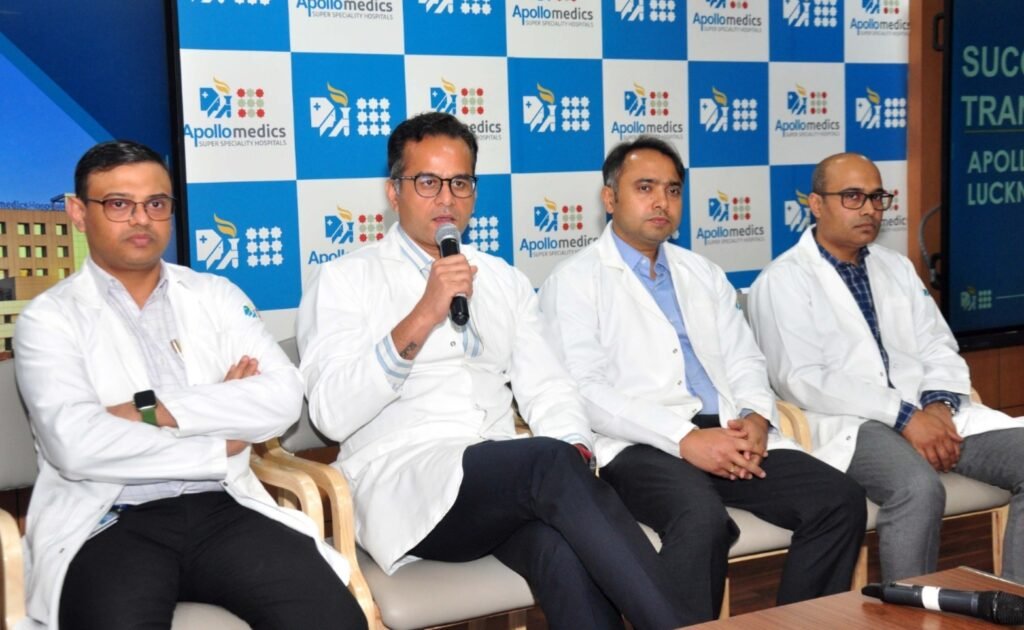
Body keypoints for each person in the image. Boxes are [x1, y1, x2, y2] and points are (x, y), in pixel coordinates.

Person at [297, 113, 689, 629]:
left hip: (505, 484)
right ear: (394, 192)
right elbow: (330, 414)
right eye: (428, 182)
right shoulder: (345, 280)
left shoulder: (502, 279)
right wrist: (424, 313)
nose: (446, 199)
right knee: (547, 465)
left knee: (562, 551)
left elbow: (548, 386)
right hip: (405, 484)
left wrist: (574, 447)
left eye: (460, 183)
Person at [13, 140, 365, 629]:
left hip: (223, 506)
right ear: (78, 212)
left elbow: (283, 397)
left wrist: (152, 411)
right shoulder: (48, 319)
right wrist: (219, 438)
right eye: (119, 204)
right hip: (110, 518)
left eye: (156, 203)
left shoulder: (214, 295)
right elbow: (75, 444)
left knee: (332, 619)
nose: (141, 219)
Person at [537, 137, 866, 621]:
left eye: (672, 190)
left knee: (839, 500)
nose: (661, 202)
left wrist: (755, 416)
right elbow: (584, 392)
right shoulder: (574, 281)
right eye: (645, 188)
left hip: (728, 431)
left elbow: (745, 359)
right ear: (610, 198)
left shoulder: (703, 272)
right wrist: (684, 438)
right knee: (701, 520)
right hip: (639, 443)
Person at [748, 152, 1024, 584]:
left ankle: (1014, 602)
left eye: (877, 197)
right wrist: (905, 417)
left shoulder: (896, 267)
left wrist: (936, 406)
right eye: (852, 197)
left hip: (931, 415)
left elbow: (938, 345)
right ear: (816, 204)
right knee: (917, 488)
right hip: (852, 423)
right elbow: (801, 379)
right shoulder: (782, 280)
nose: (870, 209)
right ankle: (908, 610)